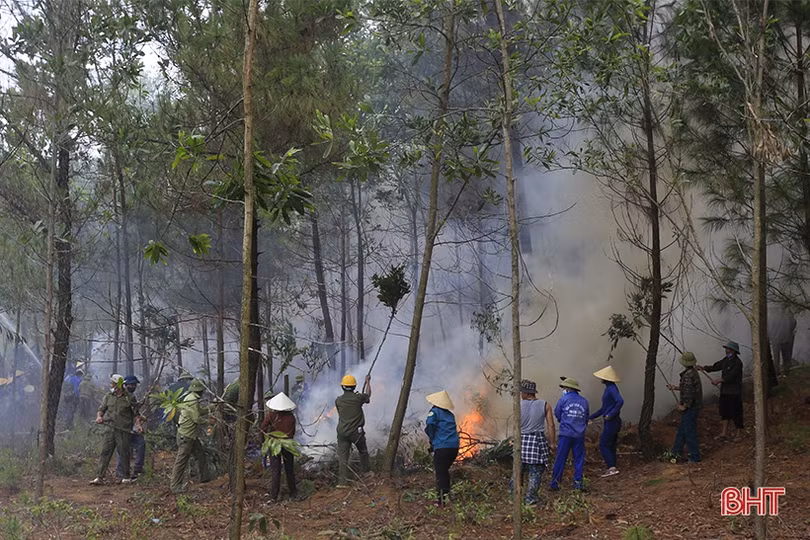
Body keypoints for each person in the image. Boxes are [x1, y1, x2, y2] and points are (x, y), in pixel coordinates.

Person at [90, 374, 141, 485]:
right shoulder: (108, 396)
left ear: (117, 384)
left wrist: (139, 425)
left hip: (123, 430)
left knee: (124, 452)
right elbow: (101, 409)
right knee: (105, 452)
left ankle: (125, 477)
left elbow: (136, 413)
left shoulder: (129, 397)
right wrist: (99, 417)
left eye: (112, 383)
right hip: (109, 429)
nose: (111, 385)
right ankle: (100, 477)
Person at [516, 379, 556, 505]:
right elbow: (551, 425)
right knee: (536, 471)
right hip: (537, 442)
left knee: (517, 470)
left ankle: (514, 496)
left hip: (521, 442)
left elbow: (515, 425)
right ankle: (530, 499)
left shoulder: (518, 405)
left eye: (523, 392)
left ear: (527, 393)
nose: (521, 395)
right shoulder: (545, 405)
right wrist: (552, 443)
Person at [170, 379, 213, 493]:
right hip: (186, 435)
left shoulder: (191, 398)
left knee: (200, 453)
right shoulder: (193, 400)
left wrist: (210, 408)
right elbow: (196, 419)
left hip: (190, 435)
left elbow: (199, 411)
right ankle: (175, 486)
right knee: (181, 461)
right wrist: (209, 422)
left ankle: (205, 478)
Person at [698, 341, 743, 441]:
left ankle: (738, 434)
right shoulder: (725, 360)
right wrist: (704, 368)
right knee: (724, 411)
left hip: (734, 392)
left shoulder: (738, 363)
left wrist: (718, 381)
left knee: (736, 413)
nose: (727, 351)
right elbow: (716, 366)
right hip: (725, 391)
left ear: (734, 351)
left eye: (729, 349)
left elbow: (731, 376)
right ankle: (724, 433)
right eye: (727, 349)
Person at [550, 378, 589, 491]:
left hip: (565, 435)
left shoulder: (563, 400)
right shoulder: (584, 401)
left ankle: (555, 484)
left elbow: (557, 413)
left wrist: (564, 421)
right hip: (579, 436)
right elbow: (586, 418)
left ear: (568, 388)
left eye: (564, 388)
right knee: (578, 460)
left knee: (560, 459)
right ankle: (578, 485)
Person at [424, 390, 460, 506]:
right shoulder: (450, 415)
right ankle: (446, 495)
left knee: (440, 472)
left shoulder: (434, 412)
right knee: (444, 471)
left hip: (442, 447)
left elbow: (430, 425)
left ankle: (441, 500)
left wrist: (432, 439)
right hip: (454, 448)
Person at [260, 392, 298, 501]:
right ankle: (293, 493)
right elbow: (292, 432)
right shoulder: (291, 417)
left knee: (275, 470)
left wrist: (265, 440)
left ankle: (273, 497)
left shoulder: (271, 415)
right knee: (289, 469)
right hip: (288, 444)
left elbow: (262, 428)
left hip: (274, 444)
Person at [335, 374, 371, 485]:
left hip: (342, 432)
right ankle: (366, 473)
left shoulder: (338, 401)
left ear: (342, 387)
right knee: (363, 452)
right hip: (356, 433)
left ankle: (342, 482)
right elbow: (368, 396)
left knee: (343, 458)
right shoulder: (358, 398)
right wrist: (368, 382)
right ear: (354, 386)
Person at [667, 352, 703, 463]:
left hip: (691, 408)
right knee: (682, 431)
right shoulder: (693, 373)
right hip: (693, 406)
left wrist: (684, 406)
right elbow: (688, 388)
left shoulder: (688, 375)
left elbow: (689, 394)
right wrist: (676, 387)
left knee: (689, 432)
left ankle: (694, 457)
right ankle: (676, 452)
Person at [589, 366, 624, 477]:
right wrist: (592, 417)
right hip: (612, 421)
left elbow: (620, 401)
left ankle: (612, 467)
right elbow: (604, 408)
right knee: (611, 444)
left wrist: (610, 414)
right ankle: (612, 465)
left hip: (612, 421)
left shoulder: (611, 389)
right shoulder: (609, 388)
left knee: (603, 444)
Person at [116, 376, 146, 479]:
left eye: (134, 385)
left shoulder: (132, 397)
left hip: (130, 427)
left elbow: (135, 413)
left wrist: (139, 424)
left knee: (140, 444)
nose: (133, 386)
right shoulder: (118, 396)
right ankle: (120, 471)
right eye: (131, 384)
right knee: (123, 449)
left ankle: (138, 468)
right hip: (121, 428)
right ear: (125, 384)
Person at [768, 306, 797, 376]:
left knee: (776, 358)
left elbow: (768, 329)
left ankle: (777, 372)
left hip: (776, 340)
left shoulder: (772, 318)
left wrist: (770, 338)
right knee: (786, 357)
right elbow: (794, 324)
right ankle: (786, 372)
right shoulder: (789, 317)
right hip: (787, 339)